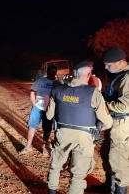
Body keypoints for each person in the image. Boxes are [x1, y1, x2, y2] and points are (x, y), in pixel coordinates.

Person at [46, 60, 113, 194]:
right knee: (77, 175)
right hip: (84, 138)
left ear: (72, 74)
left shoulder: (57, 90)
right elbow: (107, 122)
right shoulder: (93, 92)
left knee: (55, 166)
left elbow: (49, 116)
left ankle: (51, 191)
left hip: (62, 135)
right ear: (88, 75)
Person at [101, 46, 129, 194]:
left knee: (118, 159)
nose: (106, 67)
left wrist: (103, 106)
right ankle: (109, 187)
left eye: (108, 64)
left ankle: (120, 190)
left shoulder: (127, 78)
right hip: (113, 123)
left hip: (122, 123)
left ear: (119, 61)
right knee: (107, 154)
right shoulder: (118, 74)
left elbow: (126, 106)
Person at [20, 64, 59, 155]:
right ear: (47, 70)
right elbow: (33, 92)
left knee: (47, 129)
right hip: (37, 108)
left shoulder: (58, 84)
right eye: (50, 70)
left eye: (53, 71)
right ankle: (28, 146)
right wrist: (34, 104)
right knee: (32, 126)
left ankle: (44, 146)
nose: (51, 72)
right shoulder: (40, 81)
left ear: (56, 72)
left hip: (49, 110)